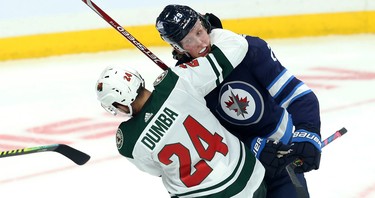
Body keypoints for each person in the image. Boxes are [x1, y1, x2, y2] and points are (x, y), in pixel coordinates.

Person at [155, 4, 322, 198]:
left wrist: (308, 132)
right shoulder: (187, 84)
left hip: (283, 158)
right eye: (189, 41)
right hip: (237, 174)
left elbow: (297, 95)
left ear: (204, 24)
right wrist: (252, 146)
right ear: (178, 47)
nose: (200, 43)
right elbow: (209, 137)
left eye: (199, 32)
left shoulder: (249, 49)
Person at [95, 27, 268, 197]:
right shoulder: (177, 81)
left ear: (122, 104)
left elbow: (157, 171)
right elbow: (235, 47)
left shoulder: (129, 141)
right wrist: (206, 28)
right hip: (251, 176)